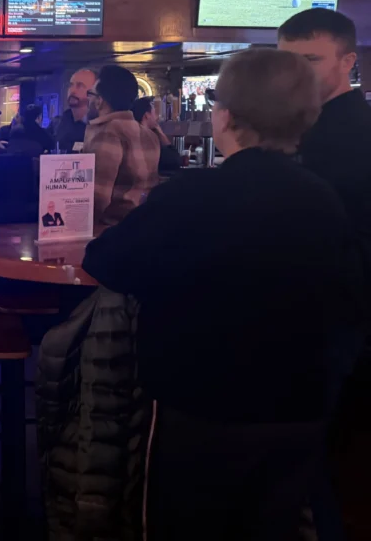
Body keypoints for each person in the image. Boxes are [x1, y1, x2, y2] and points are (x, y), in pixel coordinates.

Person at [81, 48, 359, 541]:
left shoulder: (192, 197)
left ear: (226, 116)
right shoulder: (325, 200)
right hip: (303, 408)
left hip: (202, 406)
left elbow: (106, 262)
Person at [278, 8, 371, 541]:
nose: (296, 73)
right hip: (331, 314)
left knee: (318, 465)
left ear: (348, 62)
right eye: (287, 62)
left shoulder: (346, 135)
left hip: (336, 319)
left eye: (310, 60)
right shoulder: (318, 127)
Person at [83, 65, 158, 226]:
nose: (88, 99)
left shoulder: (107, 133)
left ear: (99, 101)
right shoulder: (149, 135)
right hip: (142, 226)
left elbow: (98, 199)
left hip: (111, 230)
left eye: (90, 94)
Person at [132, 96, 180, 173]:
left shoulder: (132, 134)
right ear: (147, 115)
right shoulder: (149, 138)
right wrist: (160, 132)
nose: (157, 116)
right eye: (154, 112)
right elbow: (175, 160)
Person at [56, 68, 97, 152]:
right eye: (71, 85)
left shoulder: (100, 123)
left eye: (80, 86)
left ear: (94, 92)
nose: (72, 90)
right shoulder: (65, 119)